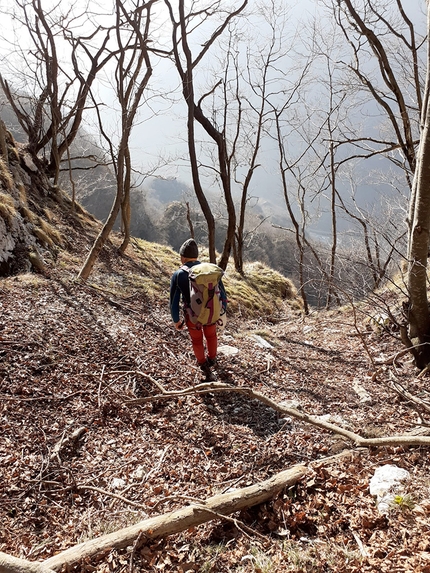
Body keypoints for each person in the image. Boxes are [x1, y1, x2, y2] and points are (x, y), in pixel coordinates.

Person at [170, 238, 227, 376]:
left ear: (182, 257)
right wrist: (221, 311)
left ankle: (202, 363)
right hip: (211, 311)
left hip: (192, 315)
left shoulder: (179, 275)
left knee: (196, 339)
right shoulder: (210, 271)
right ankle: (212, 359)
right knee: (211, 335)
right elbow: (223, 294)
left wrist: (176, 320)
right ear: (196, 257)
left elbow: (174, 301)